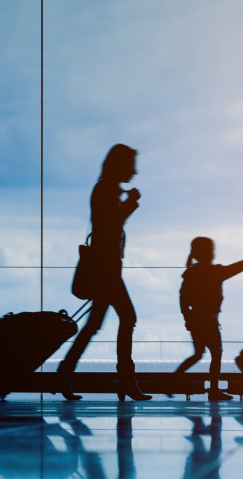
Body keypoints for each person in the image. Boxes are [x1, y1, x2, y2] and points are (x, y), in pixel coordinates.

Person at [58, 144, 150, 401]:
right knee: (127, 318)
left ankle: (65, 374)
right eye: (131, 165)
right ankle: (125, 382)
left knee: (94, 325)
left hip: (105, 268)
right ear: (119, 165)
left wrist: (128, 202)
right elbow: (111, 225)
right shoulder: (107, 190)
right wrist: (131, 202)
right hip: (106, 270)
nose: (134, 171)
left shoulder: (105, 189)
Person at [175, 237, 243, 401]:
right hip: (209, 321)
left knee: (199, 354)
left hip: (197, 320)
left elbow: (183, 299)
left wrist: (188, 319)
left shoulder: (191, 273)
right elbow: (233, 269)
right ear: (207, 253)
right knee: (216, 353)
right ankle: (213, 390)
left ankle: (173, 380)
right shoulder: (214, 272)